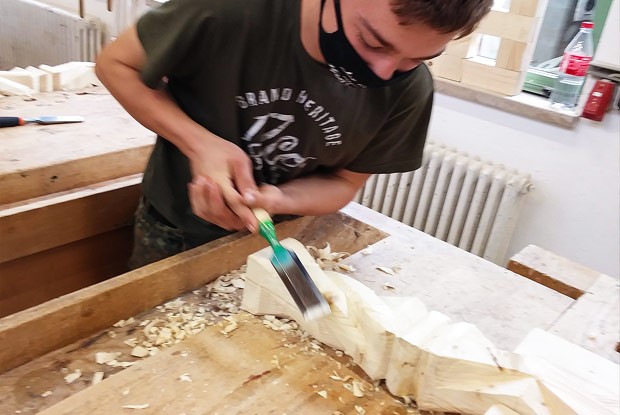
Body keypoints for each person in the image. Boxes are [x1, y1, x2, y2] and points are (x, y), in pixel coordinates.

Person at [96, 0, 492, 269]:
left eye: (418, 59)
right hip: (174, 227)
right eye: (372, 41)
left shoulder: (409, 91)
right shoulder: (230, 10)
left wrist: (279, 199)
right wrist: (198, 143)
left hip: (285, 239)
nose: (384, 72)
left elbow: (344, 184)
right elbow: (116, 65)